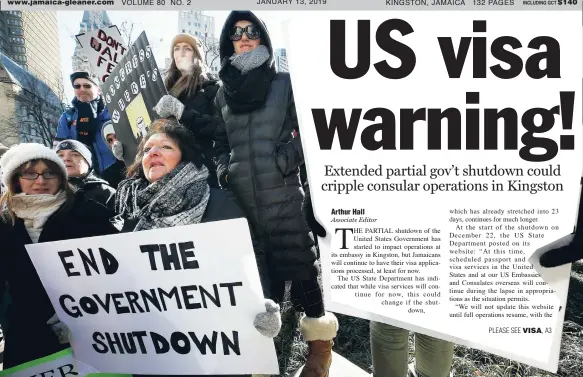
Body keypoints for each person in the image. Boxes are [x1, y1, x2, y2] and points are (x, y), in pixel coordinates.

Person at [213, 11, 338, 377]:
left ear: (263, 37)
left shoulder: (284, 82)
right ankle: (264, 361)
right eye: (237, 33)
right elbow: (220, 141)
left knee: (301, 268)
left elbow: (315, 129)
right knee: (258, 285)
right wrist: (225, 169)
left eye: (252, 30)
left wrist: (286, 158)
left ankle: (320, 352)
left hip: (284, 195)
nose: (245, 37)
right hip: (244, 202)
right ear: (229, 42)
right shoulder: (223, 91)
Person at [114, 118, 279, 377]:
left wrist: (261, 303)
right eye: (147, 150)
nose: (153, 153)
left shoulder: (217, 201)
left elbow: (249, 257)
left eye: (165, 147)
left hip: (216, 348)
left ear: (184, 157)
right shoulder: (130, 209)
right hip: (158, 349)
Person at [0, 143, 118, 368]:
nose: (41, 180)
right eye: (30, 173)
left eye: (50, 173)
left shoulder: (91, 213)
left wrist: (78, 313)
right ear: (16, 179)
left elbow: (116, 271)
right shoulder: (5, 224)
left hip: (92, 334)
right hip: (26, 337)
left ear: (61, 178)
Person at [149, 33, 221, 188]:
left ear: (197, 56)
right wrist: (128, 152)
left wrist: (182, 112)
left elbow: (220, 128)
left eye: (187, 48)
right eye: (176, 48)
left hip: (199, 174)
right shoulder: (162, 92)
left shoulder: (212, 89)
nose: (180, 53)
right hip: (166, 175)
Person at [54, 71, 118, 187]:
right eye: (77, 86)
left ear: (98, 90)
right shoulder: (67, 117)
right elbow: (58, 151)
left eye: (87, 85)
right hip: (85, 179)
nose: (82, 89)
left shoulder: (113, 111)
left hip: (117, 172)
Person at [55, 139, 116, 212]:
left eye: (75, 154)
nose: (66, 159)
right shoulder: (46, 192)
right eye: (60, 155)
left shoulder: (106, 193)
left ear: (88, 162)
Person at [100, 121, 127, 189]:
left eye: (116, 136)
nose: (115, 142)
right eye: (110, 140)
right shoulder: (108, 175)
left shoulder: (145, 159)